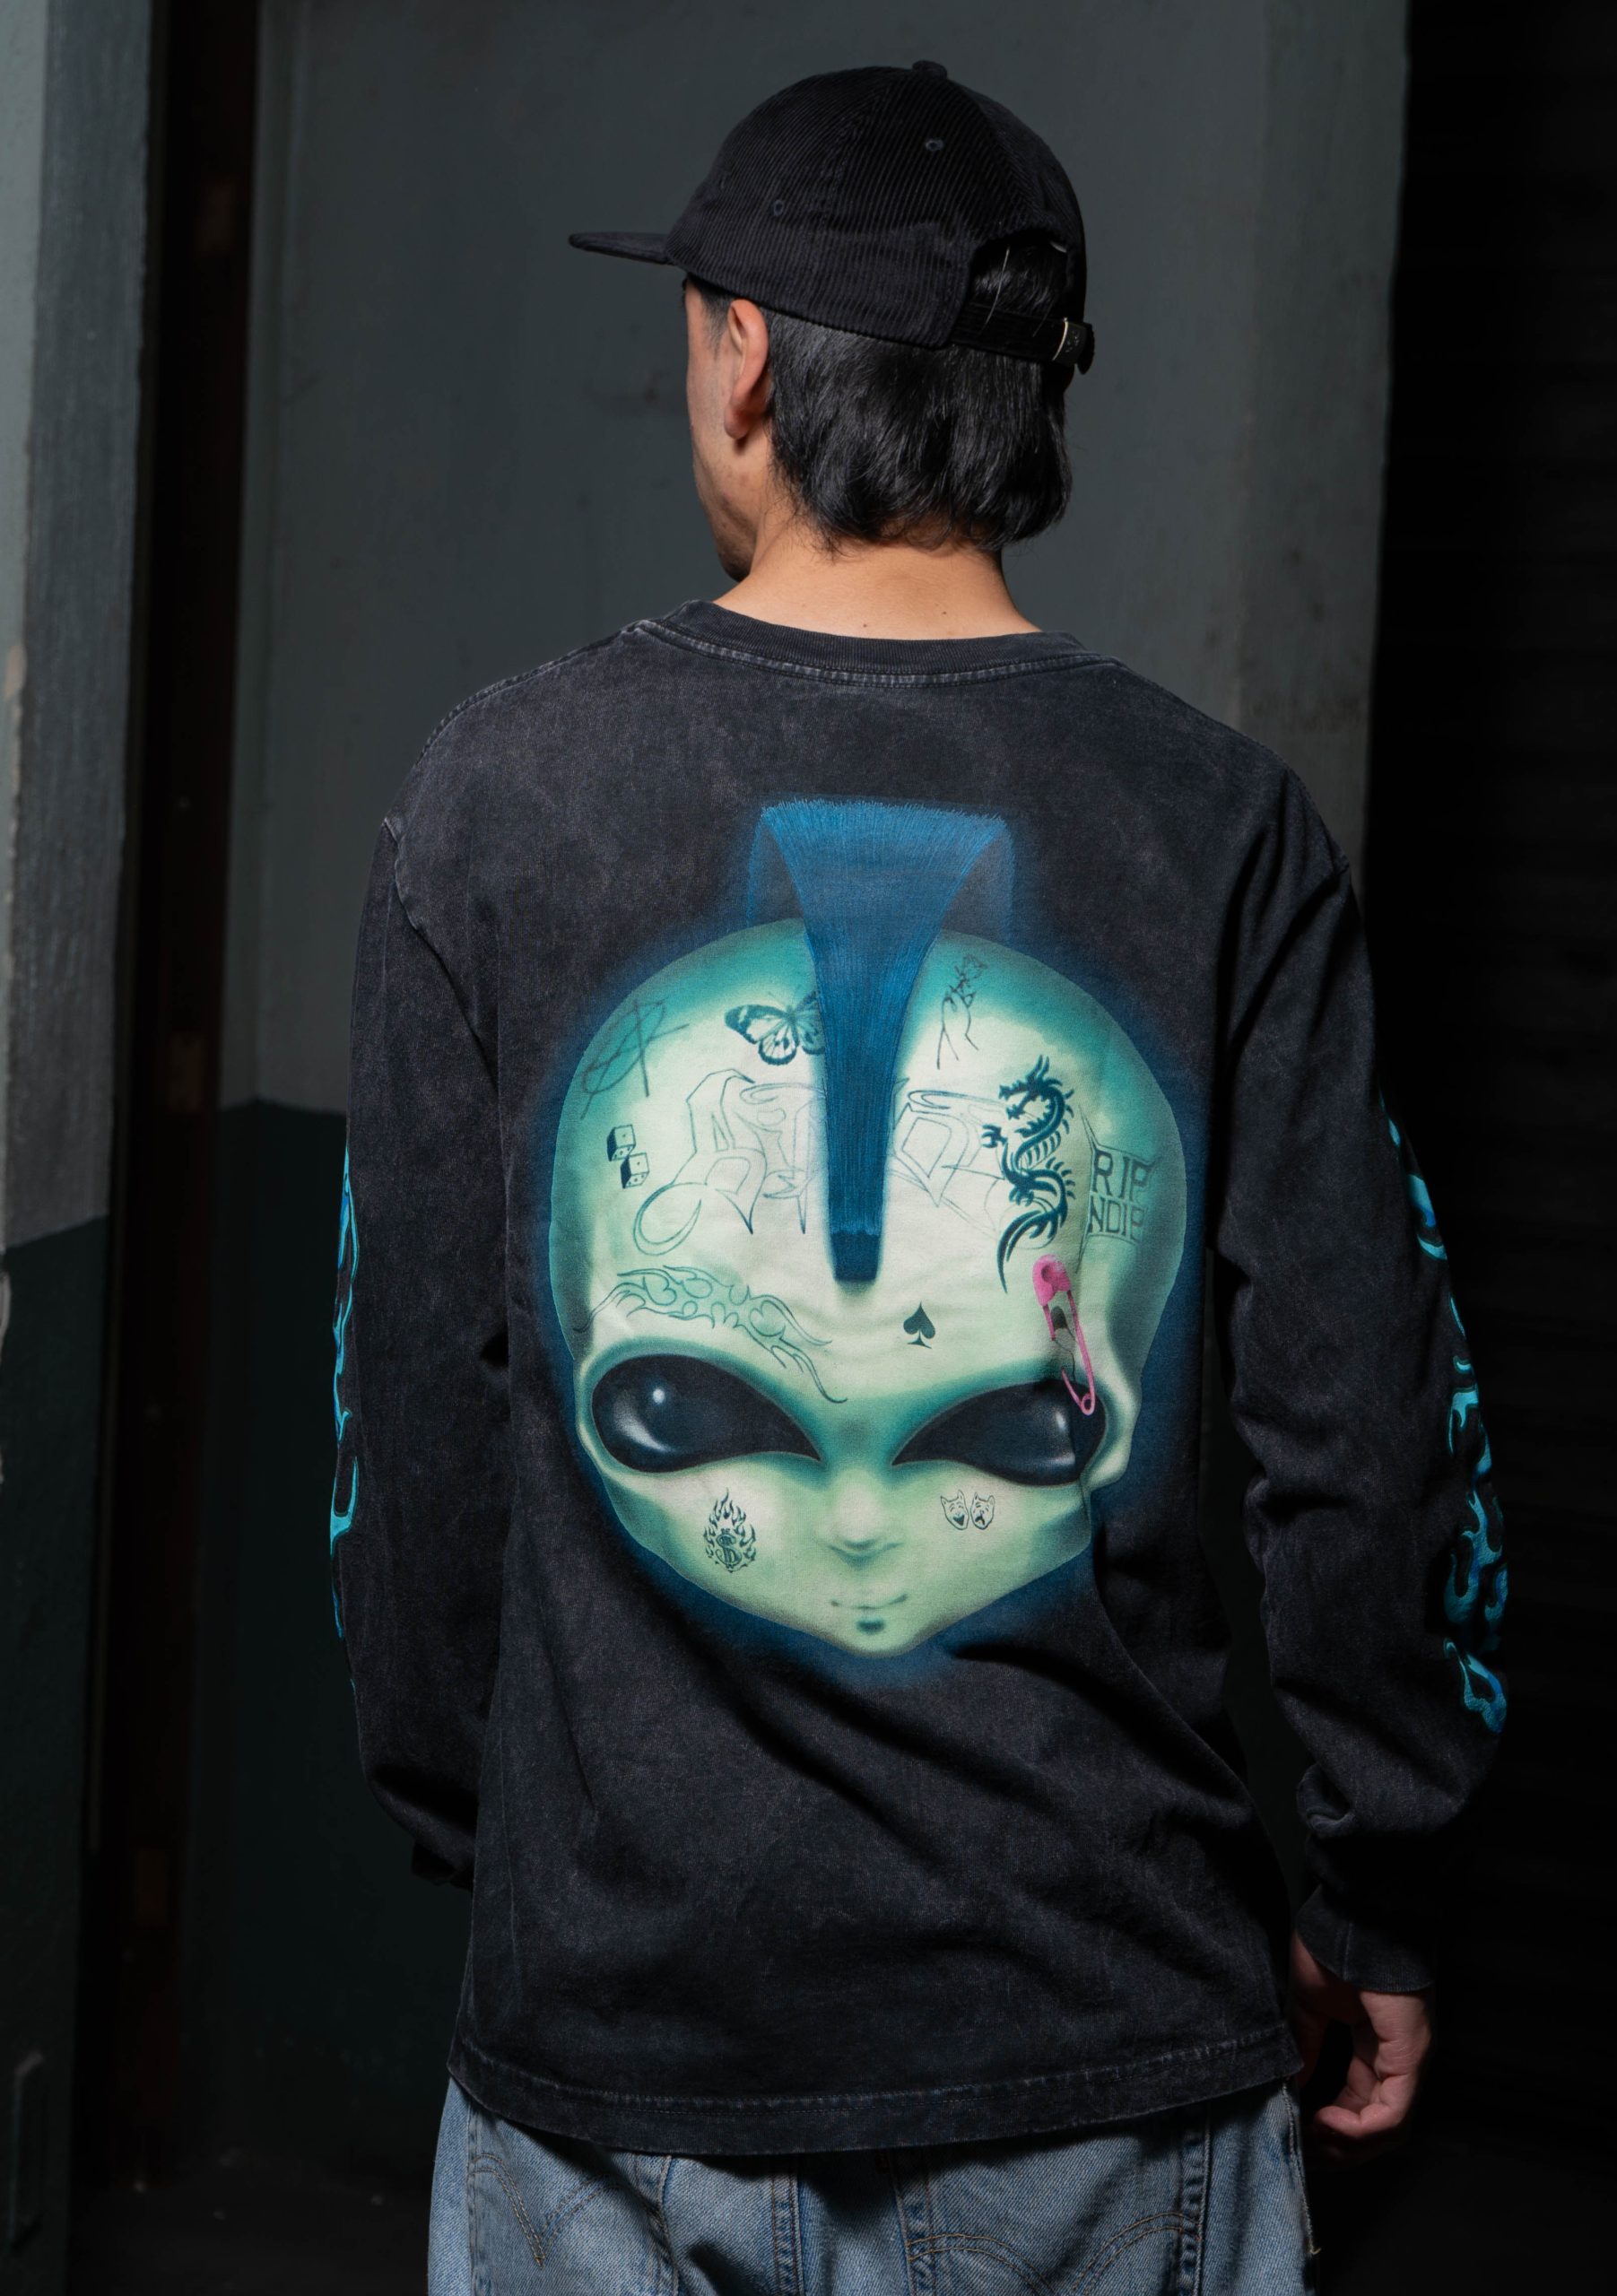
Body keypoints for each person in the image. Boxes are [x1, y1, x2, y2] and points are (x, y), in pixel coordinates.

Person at [330, 60, 1505, 2296]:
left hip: (615, 2057)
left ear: (742, 359)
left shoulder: (491, 799)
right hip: (1095, 2054)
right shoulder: (1220, 826)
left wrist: (522, 1853)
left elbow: (417, 1414)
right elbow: (1363, 1432)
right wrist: (1379, 1890)